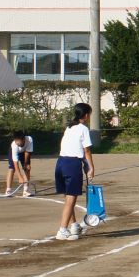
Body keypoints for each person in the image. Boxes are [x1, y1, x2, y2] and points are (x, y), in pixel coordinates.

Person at [54, 103, 95, 241]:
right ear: (86, 115)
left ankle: (74, 225)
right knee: (71, 199)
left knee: (68, 198)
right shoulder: (83, 129)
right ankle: (62, 230)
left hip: (60, 163)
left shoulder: (69, 127)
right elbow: (86, 150)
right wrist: (91, 168)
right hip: (72, 164)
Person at [4, 129, 34, 197]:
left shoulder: (29, 139)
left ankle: (25, 190)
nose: (17, 143)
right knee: (12, 169)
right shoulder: (14, 145)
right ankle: (8, 190)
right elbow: (16, 163)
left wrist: (26, 164)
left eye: (18, 141)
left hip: (24, 153)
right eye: (15, 140)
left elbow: (27, 152)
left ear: (23, 139)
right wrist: (20, 177)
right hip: (14, 152)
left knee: (27, 168)